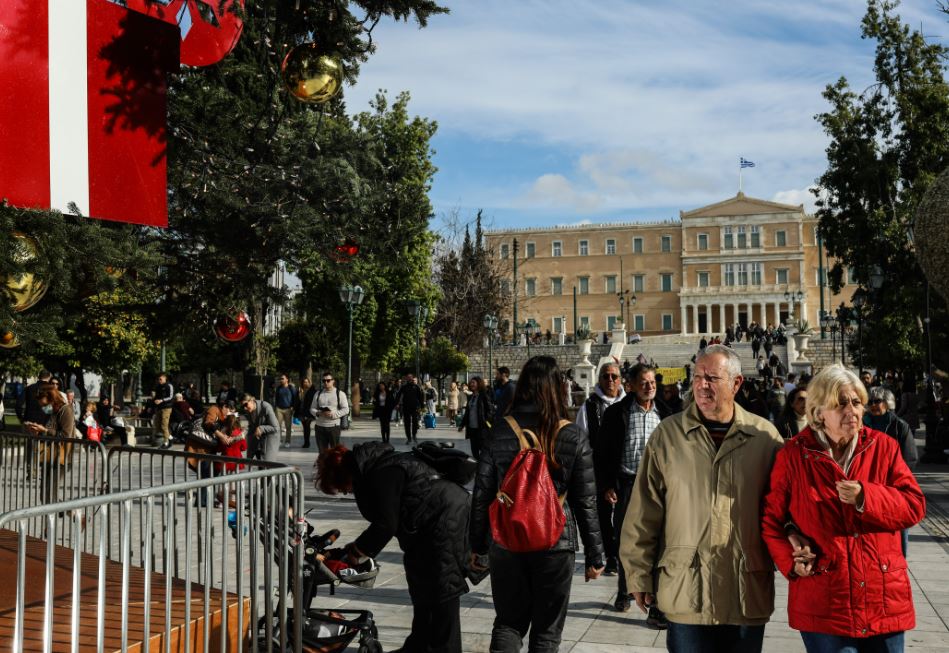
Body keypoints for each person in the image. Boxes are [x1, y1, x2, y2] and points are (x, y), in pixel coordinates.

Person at [620, 344, 784, 653]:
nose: (702, 385)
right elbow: (644, 511)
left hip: (744, 592)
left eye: (712, 378)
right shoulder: (668, 436)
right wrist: (638, 573)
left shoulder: (765, 438)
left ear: (736, 384)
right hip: (686, 592)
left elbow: (783, 511)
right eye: (697, 376)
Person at [761, 365, 925, 653]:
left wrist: (867, 497)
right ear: (818, 412)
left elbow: (914, 506)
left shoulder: (883, 447)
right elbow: (772, 520)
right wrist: (791, 561)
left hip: (882, 597)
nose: (852, 410)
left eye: (857, 402)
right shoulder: (793, 456)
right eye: (841, 403)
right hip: (825, 601)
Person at [470, 356, 604, 652]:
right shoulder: (573, 434)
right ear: (558, 387)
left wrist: (477, 545)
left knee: (508, 622)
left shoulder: (500, 430)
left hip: (506, 541)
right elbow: (586, 501)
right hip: (555, 542)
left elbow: (481, 494)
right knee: (546, 632)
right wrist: (596, 555)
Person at [316, 442, 470, 653]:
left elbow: (386, 525)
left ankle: (446, 648)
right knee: (422, 582)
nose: (348, 492)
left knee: (442, 586)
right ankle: (419, 645)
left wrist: (355, 554)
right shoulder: (378, 466)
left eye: (344, 489)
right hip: (430, 521)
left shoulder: (383, 472)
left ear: (346, 475)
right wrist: (355, 549)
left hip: (445, 519)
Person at [597, 363, 670, 622]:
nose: (649, 387)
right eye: (644, 383)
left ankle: (657, 601)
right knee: (626, 540)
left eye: (652, 383)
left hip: (658, 486)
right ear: (631, 385)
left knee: (660, 541)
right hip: (627, 483)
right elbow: (603, 453)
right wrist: (606, 485)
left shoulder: (666, 413)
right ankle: (624, 591)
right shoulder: (617, 413)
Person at [576, 362, 626, 577]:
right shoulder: (589, 407)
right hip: (599, 471)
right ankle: (612, 557)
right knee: (604, 517)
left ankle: (623, 556)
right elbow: (581, 440)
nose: (610, 381)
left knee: (625, 517)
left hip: (626, 471)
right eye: (606, 376)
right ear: (599, 379)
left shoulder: (630, 404)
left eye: (614, 376)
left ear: (621, 379)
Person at [865, 385, 919, 556]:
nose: (873, 405)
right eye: (870, 402)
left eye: (877, 401)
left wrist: (897, 481)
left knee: (899, 522)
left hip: (893, 484)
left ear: (887, 403)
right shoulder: (862, 424)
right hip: (869, 483)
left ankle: (900, 558)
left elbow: (910, 457)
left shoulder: (899, 426)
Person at [23, 382, 77, 503]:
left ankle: (70, 513)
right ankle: (73, 513)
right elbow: (51, 432)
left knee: (49, 496)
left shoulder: (66, 410)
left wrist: (45, 430)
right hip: (49, 456)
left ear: (50, 397)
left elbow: (65, 435)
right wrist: (37, 430)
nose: (41, 405)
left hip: (61, 459)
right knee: (45, 496)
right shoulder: (52, 412)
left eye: (42, 401)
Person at [309, 372, 350, 451]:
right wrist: (318, 413)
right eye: (324, 381)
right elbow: (312, 409)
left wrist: (334, 414)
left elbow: (346, 409)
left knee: (334, 452)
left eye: (328, 380)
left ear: (333, 381)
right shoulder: (318, 393)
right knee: (322, 452)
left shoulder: (340, 394)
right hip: (319, 426)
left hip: (333, 427)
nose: (326, 382)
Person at [457, 376, 494, 460]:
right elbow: (467, 413)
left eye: (473, 382)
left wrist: (487, 421)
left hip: (481, 428)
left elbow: (490, 410)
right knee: (474, 451)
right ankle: (478, 467)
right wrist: (462, 425)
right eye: (471, 382)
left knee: (483, 450)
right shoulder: (471, 396)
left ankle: (485, 467)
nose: (471, 384)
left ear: (479, 383)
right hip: (472, 428)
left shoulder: (484, 395)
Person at [241, 393, 280, 462]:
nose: (244, 408)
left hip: (270, 437)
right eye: (242, 406)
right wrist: (241, 434)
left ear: (252, 400)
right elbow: (251, 426)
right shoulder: (248, 410)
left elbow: (276, 427)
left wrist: (261, 428)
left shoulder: (266, 407)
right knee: (259, 463)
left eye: (245, 404)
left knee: (266, 463)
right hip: (257, 438)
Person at [395, 374, 424, 445]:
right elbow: (398, 395)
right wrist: (396, 403)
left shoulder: (416, 387)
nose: (409, 379)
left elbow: (420, 397)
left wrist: (422, 406)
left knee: (415, 422)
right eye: (408, 378)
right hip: (406, 407)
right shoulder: (404, 387)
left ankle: (414, 435)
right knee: (407, 424)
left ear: (412, 378)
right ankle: (409, 438)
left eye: (410, 378)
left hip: (414, 407)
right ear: (406, 379)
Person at [273, 374, 296, 448]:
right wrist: (275, 407)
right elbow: (276, 398)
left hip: (288, 409)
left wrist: (293, 407)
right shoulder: (279, 388)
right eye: (280, 378)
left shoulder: (291, 387)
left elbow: (295, 397)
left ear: (287, 380)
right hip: (279, 409)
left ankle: (287, 441)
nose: (281, 380)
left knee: (288, 426)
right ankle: (279, 440)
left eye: (282, 378)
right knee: (278, 426)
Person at [151, 372, 175, 449]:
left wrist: (161, 400)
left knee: (164, 425)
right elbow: (156, 397)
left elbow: (171, 397)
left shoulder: (169, 386)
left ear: (165, 378)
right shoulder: (158, 387)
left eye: (160, 379)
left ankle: (165, 443)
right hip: (159, 408)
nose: (159, 380)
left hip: (167, 408)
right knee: (158, 426)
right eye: (158, 379)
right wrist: (153, 402)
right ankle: (170, 438)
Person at [296, 377, 316, 448]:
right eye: (304, 382)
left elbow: (312, 403)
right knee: (305, 427)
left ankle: (307, 443)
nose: (305, 383)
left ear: (309, 383)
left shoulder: (312, 391)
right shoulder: (300, 390)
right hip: (301, 411)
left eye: (307, 382)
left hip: (308, 412)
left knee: (307, 427)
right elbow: (298, 401)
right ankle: (306, 442)